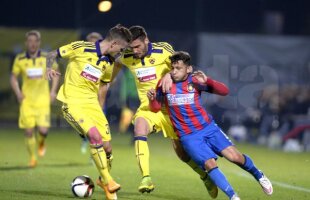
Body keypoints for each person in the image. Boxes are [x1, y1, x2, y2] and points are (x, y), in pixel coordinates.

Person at [147, 51, 273, 200]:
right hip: (188, 136)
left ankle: (259, 175)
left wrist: (208, 81)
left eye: (178, 68)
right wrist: (152, 99)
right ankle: (233, 197)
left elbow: (224, 91)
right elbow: (155, 108)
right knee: (209, 164)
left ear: (188, 69)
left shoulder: (195, 81)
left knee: (235, 157)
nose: (174, 72)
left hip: (208, 128)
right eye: (172, 68)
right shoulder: (164, 84)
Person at [111, 25, 217, 197]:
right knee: (139, 127)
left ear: (146, 40)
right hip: (150, 108)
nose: (135, 51)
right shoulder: (127, 56)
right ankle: (146, 177)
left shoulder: (163, 50)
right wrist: (108, 79)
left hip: (173, 110)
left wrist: (168, 74)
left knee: (183, 154)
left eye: (138, 46)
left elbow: (181, 66)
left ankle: (204, 176)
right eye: (132, 47)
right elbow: (114, 60)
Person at [46, 24, 132, 200]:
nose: (120, 53)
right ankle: (109, 181)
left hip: (93, 106)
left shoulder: (108, 62)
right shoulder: (81, 48)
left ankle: (102, 180)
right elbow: (51, 54)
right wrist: (49, 67)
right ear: (114, 43)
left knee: (108, 148)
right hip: (73, 103)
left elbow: (103, 86)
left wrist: (100, 108)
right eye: (121, 49)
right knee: (95, 137)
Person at [10, 30, 60, 168]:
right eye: (30, 41)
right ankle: (32, 158)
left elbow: (56, 74)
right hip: (27, 101)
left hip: (43, 100)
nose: (32, 44)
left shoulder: (46, 57)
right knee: (28, 131)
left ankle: (42, 142)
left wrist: (53, 91)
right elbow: (13, 77)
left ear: (39, 43)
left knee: (43, 131)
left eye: (35, 41)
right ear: (26, 43)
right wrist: (18, 93)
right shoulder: (20, 59)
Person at [79, 31, 104, 154]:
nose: (93, 45)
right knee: (86, 127)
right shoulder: (81, 59)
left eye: (95, 43)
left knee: (99, 130)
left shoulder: (105, 61)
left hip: (97, 100)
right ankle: (85, 141)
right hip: (81, 100)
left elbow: (106, 82)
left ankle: (95, 153)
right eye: (90, 43)